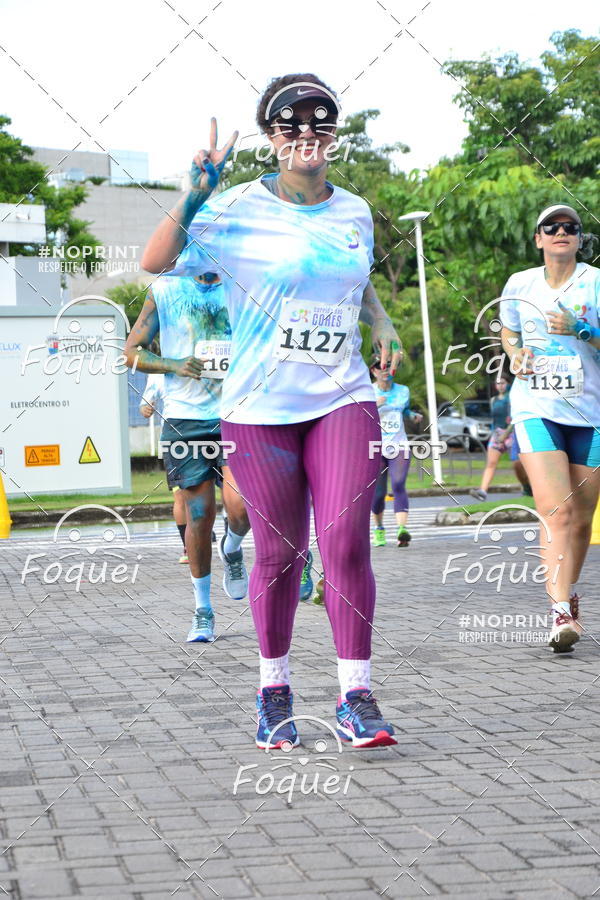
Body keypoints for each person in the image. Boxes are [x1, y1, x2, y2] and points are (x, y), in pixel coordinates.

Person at [141, 73, 403, 749]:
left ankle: (356, 697)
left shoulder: (354, 211)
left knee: (344, 541)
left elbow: (354, 278)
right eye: (292, 124)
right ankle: (273, 691)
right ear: (271, 138)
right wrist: (192, 194)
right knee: (281, 554)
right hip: (259, 407)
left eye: (322, 122)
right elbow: (155, 261)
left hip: (341, 397)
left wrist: (382, 325)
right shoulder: (231, 211)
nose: (308, 135)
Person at [124, 274, 251, 643]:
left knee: (242, 508)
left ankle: (233, 546)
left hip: (238, 413)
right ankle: (203, 610)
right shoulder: (164, 289)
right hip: (186, 420)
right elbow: (132, 351)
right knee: (199, 515)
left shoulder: (241, 280)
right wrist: (174, 363)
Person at [500, 204, 600, 654]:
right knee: (556, 512)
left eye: (570, 228)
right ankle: (559, 610)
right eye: (551, 227)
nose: (561, 232)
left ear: (579, 239)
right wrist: (515, 353)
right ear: (538, 238)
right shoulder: (521, 283)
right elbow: (509, 329)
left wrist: (583, 330)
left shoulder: (596, 282)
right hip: (535, 406)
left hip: (590, 413)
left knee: (581, 519)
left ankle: (569, 593)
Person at [370, 355, 422, 548]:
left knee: (399, 483)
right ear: (373, 371)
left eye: (388, 366)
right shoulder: (368, 391)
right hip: (375, 447)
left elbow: (405, 410)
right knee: (378, 493)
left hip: (399, 445)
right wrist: (375, 404)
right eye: (380, 367)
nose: (385, 370)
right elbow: (358, 415)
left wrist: (413, 415)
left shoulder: (403, 391)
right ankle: (379, 529)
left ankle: (402, 530)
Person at [140, 372, 189, 564]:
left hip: (210, 432)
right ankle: (188, 546)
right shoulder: (158, 370)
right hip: (175, 439)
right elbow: (145, 403)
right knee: (180, 495)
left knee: (225, 489)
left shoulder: (209, 357)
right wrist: (145, 408)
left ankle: (229, 536)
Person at [469, 375, 522, 502]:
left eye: (503, 383)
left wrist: (506, 433)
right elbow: (494, 419)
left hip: (512, 432)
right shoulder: (493, 400)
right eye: (498, 383)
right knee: (491, 463)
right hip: (497, 434)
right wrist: (493, 433)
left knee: (519, 463)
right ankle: (483, 491)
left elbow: (515, 417)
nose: (500, 386)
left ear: (508, 383)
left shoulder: (513, 397)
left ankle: (528, 487)